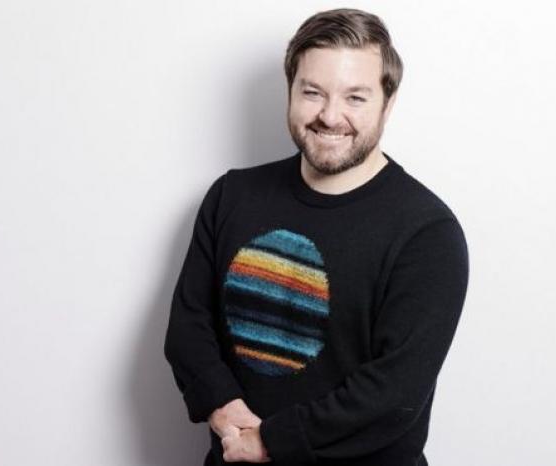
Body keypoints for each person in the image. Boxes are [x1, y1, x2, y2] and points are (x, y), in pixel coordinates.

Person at [163, 8, 469, 466]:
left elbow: (393, 395)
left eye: (355, 97)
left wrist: (271, 441)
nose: (330, 116)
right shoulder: (231, 196)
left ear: (388, 103)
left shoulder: (427, 233)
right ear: (290, 91)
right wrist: (222, 406)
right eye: (312, 92)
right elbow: (189, 328)